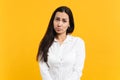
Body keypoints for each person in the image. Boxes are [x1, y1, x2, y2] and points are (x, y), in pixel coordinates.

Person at [36, 6, 86, 80]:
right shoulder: (44, 43)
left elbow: (77, 71)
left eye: (64, 21)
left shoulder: (78, 43)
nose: (59, 24)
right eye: (57, 19)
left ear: (69, 24)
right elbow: (44, 71)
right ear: (53, 21)